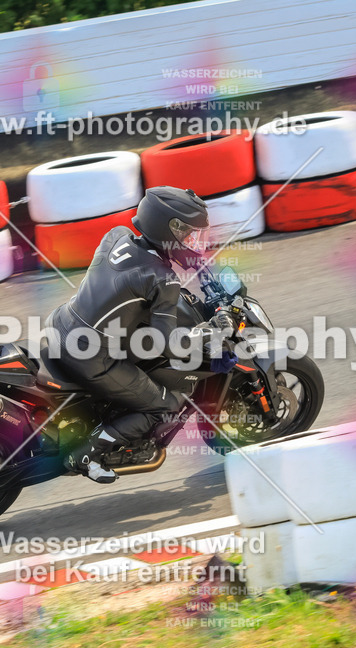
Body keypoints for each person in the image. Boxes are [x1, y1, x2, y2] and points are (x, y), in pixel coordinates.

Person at [42, 186, 237, 484]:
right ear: (168, 229)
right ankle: (86, 453)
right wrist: (209, 333)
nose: (194, 243)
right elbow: (166, 344)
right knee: (163, 406)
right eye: (189, 236)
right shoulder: (163, 280)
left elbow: (123, 288)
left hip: (60, 324)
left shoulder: (116, 236)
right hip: (90, 357)